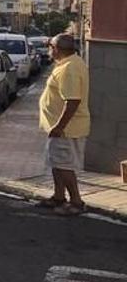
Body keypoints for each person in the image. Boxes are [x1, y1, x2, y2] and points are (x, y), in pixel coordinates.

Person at [36, 33, 90, 216]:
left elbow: (72, 101)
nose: (49, 49)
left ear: (56, 49)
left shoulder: (69, 69)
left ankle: (76, 201)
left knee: (65, 166)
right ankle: (59, 196)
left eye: (50, 46)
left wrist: (59, 126)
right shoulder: (69, 63)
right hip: (59, 129)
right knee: (57, 163)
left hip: (66, 130)